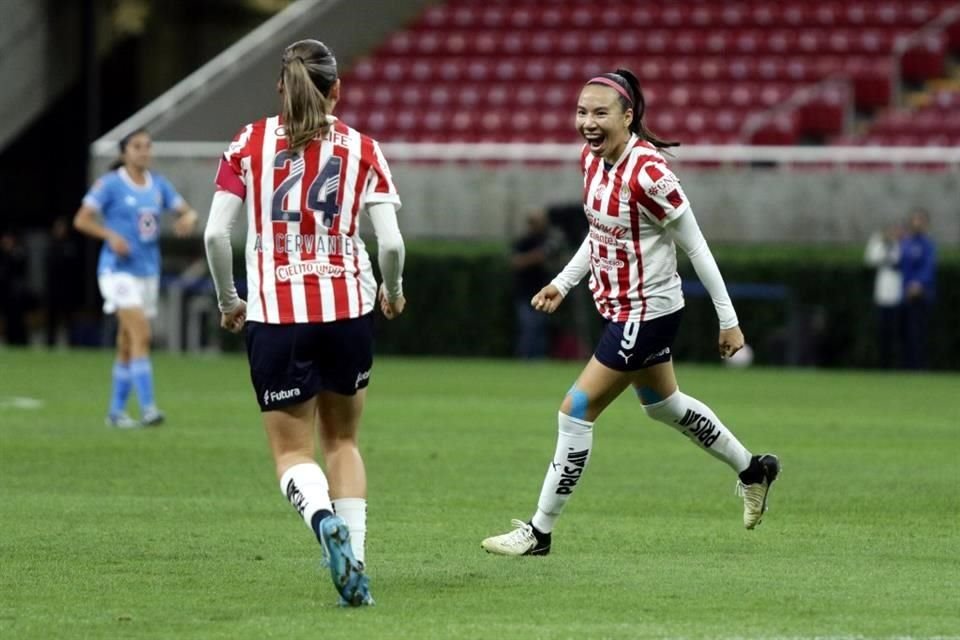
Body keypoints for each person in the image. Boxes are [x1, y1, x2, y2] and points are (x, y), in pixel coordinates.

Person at [481, 69, 780, 557]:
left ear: (628, 115)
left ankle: (539, 532)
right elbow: (600, 233)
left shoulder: (650, 174)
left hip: (647, 312)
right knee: (666, 406)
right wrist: (562, 282)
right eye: (582, 112)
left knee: (576, 410)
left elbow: (697, 248)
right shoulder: (592, 161)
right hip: (620, 309)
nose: (588, 122)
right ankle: (755, 469)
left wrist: (728, 318)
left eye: (600, 112)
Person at [203, 39, 405, 606]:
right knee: (343, 440)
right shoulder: (363, 148)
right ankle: (357, 566)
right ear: (336, 90)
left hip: (277, 313)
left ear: (280, 87)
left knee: (293, 454)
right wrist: (393, 291)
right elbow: (389, 242)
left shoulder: (249, 141)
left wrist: (228, 300)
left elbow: (215, 235)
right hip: (347, 311)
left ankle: (322, 523)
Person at [73, 128, 198, 427]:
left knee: (128, 342)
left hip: (147, 271)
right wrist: (110, 235)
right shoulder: (111, 185)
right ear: (124, 153)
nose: (144, 151)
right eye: (137, 146)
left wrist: (188, 218)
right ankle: (149, 408)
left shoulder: (159, 185)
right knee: (141, 333)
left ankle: (115, 413)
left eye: (147, 146)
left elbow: (186, 211)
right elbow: (82, 219)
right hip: (117, 270)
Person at [511, 208, 565, 359]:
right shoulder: (524, 242)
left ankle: (539, 359)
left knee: (541, 327)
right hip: (525, 292)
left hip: (543, 291)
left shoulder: (547, 241)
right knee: (529, 327)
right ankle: (526, 358)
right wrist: (537, 256)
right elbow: (516, 262)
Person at [898, 208, 936, 370]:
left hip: (922, 295)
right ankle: (906, 366)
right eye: (915, 220)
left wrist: (918, 284)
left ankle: (919, 367)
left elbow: (928, 268)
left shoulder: (928, 244)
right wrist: (906, 287)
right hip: (905, 295)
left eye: (920, 220)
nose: (917, 223)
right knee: (904, 333)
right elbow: (903, 268)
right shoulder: (905, 243)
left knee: (919, 333)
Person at [863, 223, 903, 368]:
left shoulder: (901, 245)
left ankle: (896, 365)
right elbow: (870, 259)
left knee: (896, 334)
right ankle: (882, 365)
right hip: (882, 296)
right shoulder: (879, 243)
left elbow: (898, 261)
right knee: (882, 333)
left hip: (898, 296)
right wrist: (881, 242)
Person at [45, 217, 84, 347]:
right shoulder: (51, 245)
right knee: (52, 319)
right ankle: (50, 344)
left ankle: (72, 344)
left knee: (69, 320)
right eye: (57, 228)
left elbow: (74, 268)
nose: (59, 230)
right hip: (53, 289)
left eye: (62, 227)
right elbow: (49, 267)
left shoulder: (70, 245)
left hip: (67, 289)